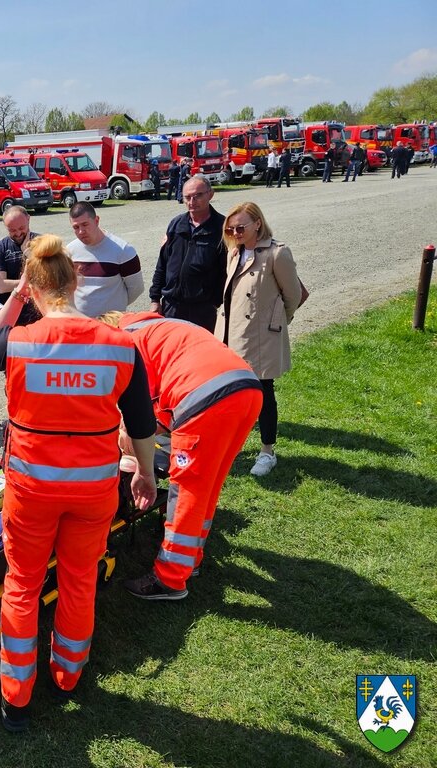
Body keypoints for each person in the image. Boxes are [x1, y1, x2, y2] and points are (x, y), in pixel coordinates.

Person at [0, 234, 157, 731]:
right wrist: (145, 472)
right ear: (75, 281)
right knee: (79, 582)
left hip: (31, 489)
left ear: (32, 287)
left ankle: (16, 697)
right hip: (93, 489)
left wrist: (13, 301)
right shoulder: (121, 346)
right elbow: (141, 422)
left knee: (22, 585)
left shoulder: (19, 341)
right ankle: (68, 676)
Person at [100, 310, 263, 600]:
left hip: (204, 397)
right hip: (246, 389)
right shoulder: (159, 325)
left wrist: (135, 455)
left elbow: (142, 416)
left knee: (185, 489)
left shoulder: (128, 341)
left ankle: (170, 579)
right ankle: (191, 560)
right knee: (207, 485)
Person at [216, 202, 303, 477]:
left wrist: (276, 321)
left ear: (257, 224)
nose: (235, 232)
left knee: (264, 393)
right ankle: (233, 446)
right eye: (230, 228)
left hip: (261, 336)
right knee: (233, 394)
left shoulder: (277, 253)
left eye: (240, 227)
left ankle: (267, 451)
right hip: (231, 334)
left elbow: (294, 295)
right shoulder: (234, 251)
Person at [149, 175, 226, 332]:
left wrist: (215, 301)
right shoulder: (176, 224)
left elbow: (225, 271)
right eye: (187, 197)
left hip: (202, 310)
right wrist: (155, 299)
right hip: (171, 307)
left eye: (198, 196)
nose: (192, 202)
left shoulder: (222, 228)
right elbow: (162, 265)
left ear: (211, 194)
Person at [66, 202, 143, 318]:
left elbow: (136, 288)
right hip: (81, 324)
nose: (81, 231)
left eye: (85, 224)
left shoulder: (123, 250)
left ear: (96, 221)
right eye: (76, 227)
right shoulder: (69, 251)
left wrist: (116, 308)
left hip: (112, 325)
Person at [0, 205, 42, 325]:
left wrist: (29, 254)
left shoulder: (43, 242)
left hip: (40, 313)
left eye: (21, 228)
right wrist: (33, 282)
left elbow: (52, 278)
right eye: (12, 230)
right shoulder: (0, 248)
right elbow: (1, 286)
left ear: (28, 219)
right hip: (13, 316)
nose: (18, 233)